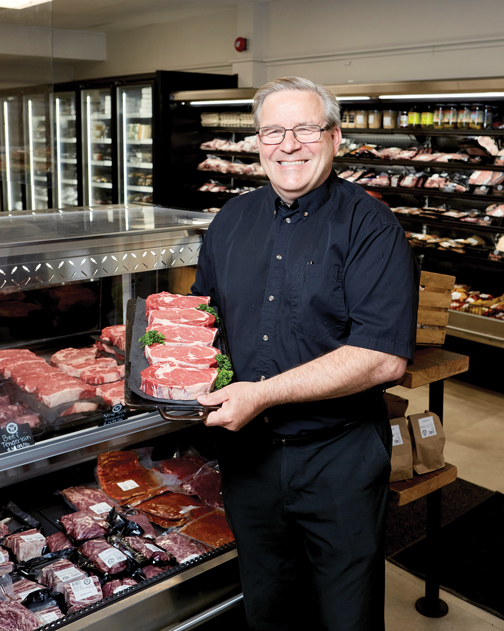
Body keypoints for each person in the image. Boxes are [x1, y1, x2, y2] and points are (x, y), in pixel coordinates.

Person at [192, 76, 419, 631]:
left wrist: (262, 394)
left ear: (335, 138)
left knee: (346, 615)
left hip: (337, 457)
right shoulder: (231, 221)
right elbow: (205, 323)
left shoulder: (373, 227)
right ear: (258, 141)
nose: (287, 144)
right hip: (249, 458)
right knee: (269, 608)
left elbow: (383, 358)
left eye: (305, 129)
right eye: (273, 131)